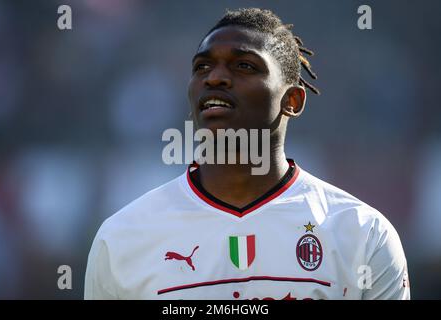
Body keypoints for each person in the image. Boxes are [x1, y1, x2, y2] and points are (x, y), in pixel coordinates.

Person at [84, 8, 410, 300]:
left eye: (244, 65)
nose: (215, 77)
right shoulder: (122, 238)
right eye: (202, 67)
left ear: (292, 100)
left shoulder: (362, 233)